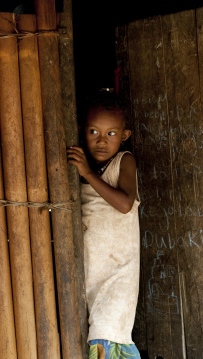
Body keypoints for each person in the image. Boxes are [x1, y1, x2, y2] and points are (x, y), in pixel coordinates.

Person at [67, 90, 141, 359]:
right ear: (81, 131)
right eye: (93, 132)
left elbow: (124, 204)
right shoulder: (80, 166)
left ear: (124, 136)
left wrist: (86, 172)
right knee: (94, 330)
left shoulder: (124, 161)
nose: (101, 141)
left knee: (110, 330)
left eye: (111, 134)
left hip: (119, 269)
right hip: (92, 266)